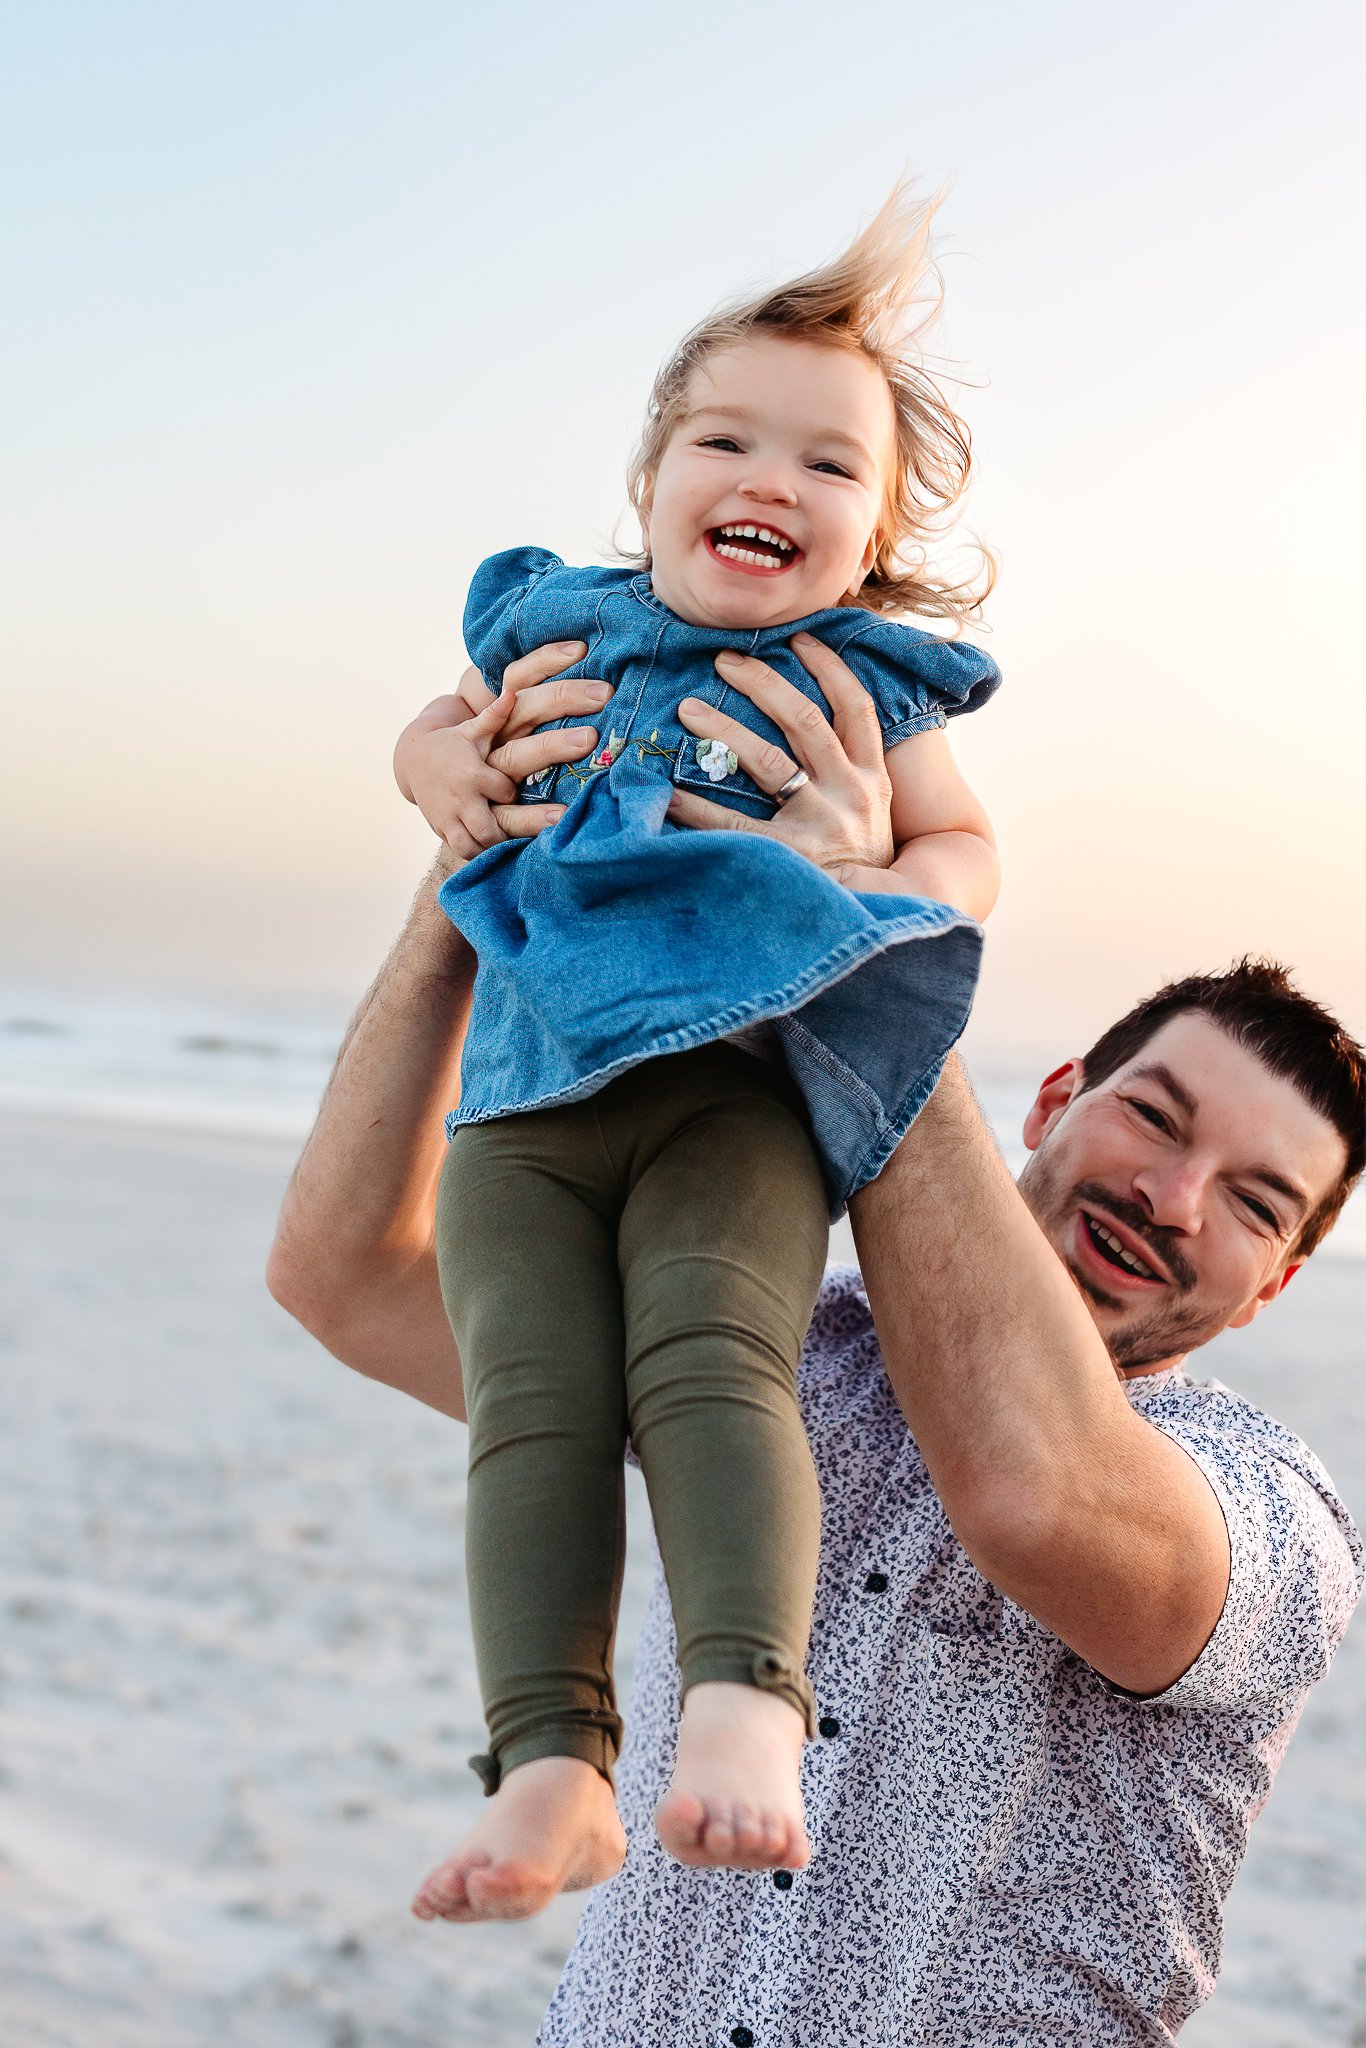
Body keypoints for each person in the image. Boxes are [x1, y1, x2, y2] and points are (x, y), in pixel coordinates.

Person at [269, 638, 1363, 2043]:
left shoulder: (1276, 1520)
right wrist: (487, 848)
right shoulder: (767, 1347)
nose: (1170, 1196)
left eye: (1253, 1203)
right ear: (1052, 1101)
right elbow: (343, 1276)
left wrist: (861, 937)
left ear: (1271, 1284)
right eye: (1154, 1118)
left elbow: (1026, 1482)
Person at [390, 186, 1003, 1912]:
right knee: (532, 1404)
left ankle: (740, 1704)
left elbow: (967, 859)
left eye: (827, 466)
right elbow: (433, 738)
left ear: (873, 532)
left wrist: (871, 861)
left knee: (714, 1361)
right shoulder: (549, 623)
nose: (769, 481)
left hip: (735, 1105)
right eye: (725, 438)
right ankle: (549, 1770)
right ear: (650, 480)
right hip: (519, 1104)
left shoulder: (864, 683)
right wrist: (431, 774)